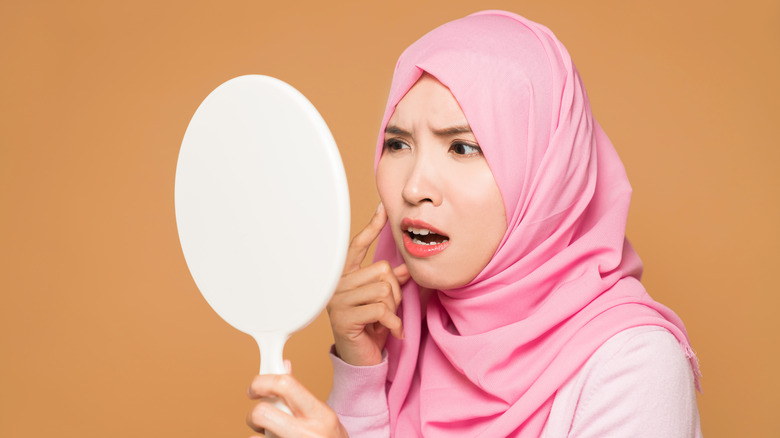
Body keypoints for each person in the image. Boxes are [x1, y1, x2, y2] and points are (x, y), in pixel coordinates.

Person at [247, 10, 702, 437]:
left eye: (462, 148)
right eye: (398, 143)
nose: (414, 187)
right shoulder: (407, 332)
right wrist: (361, 377)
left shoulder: (632, 363)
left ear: (545, 173)